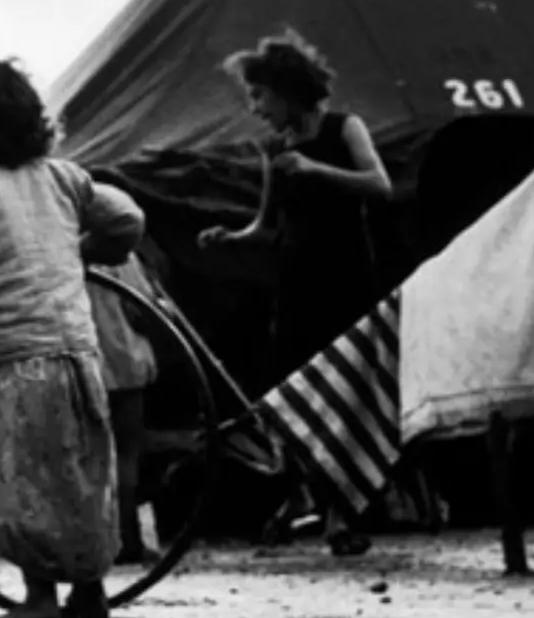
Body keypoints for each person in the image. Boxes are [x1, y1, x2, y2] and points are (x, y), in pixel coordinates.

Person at [0, 58, 146, 618]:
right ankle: (91, 590)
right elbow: (128, 215)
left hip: (8, 365)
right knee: (77, 475)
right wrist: (85, 249)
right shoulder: (64, 179)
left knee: (20, 485)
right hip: (77, 357)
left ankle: (40, 595)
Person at [197, 30, 391, 556]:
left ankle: (342, 514)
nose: (256, 109)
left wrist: (317, 170)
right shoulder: (277, 152)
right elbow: (266, 226)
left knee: (348, 393)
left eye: (260, 96)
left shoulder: (342, 128)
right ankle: (316, 503)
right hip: (298, 283)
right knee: (299, 393)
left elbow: (380, 184)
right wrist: (228, 237)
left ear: (285, 91)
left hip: (348, 279)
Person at [88, 254, 162, 565]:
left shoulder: (56, 247)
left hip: (84, 365)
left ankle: (96, 539)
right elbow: (141, 310)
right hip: (124, 364)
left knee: (90, 457)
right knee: (126, 455)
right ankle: (126, 537)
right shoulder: (119, 253)